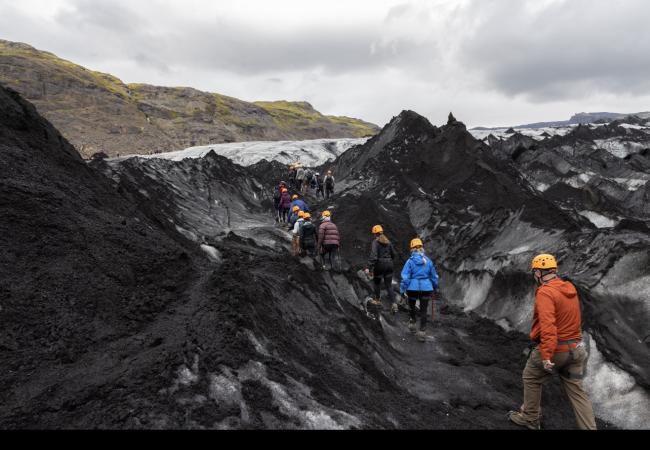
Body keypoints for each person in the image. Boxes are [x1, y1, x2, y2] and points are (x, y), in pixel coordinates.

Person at [508, 254, 597, 431]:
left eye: (534, 272)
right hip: (576, 350)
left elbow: (548, 326)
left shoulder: (545, 292)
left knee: (531, 377)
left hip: (556, 350)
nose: (534, 275)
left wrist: (547, 355)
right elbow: (574, 320)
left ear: (539, 272)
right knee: (577, 393)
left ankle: (530, 418)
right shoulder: (569, 287)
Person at [400, 238, 439, 343]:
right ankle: (422, 333)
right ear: (422, 247)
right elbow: (434, 276)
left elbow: (405, 277)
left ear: (412, 248)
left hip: (412, 288)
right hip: (426, 288)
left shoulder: (410, 262)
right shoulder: (428, 261)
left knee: (412, 307)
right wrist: (435, 287)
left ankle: (412, 325)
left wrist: (402, 289)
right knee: (423, 310)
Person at [365, 225, 398, 314]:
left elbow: (374, 256)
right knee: (389, 285)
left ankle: (377, 300)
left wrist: (368, 267)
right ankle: (394, 303)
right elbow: (394, 254)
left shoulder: (375, 242)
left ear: (375, 234)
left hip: (380, 264)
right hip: (390, 264)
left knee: (377, 283)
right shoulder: (388, 242)